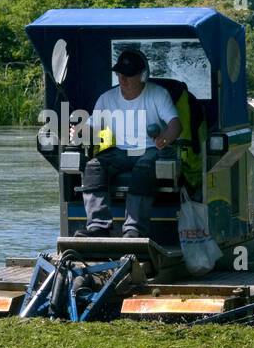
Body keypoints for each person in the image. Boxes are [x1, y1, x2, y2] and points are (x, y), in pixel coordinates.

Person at [78, 48, 182, 238]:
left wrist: (164, 138)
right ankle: (99, 227)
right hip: (119, 152)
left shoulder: (158, 94)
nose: (123, 79)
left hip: (151, 150)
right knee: (93, 167)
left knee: (144, 168)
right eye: (120, 74)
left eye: (129, 75)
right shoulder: (106, 98)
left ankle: (134, 229)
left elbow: (175, 124)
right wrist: (79, 132)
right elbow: (91, 128)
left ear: (142, 75)